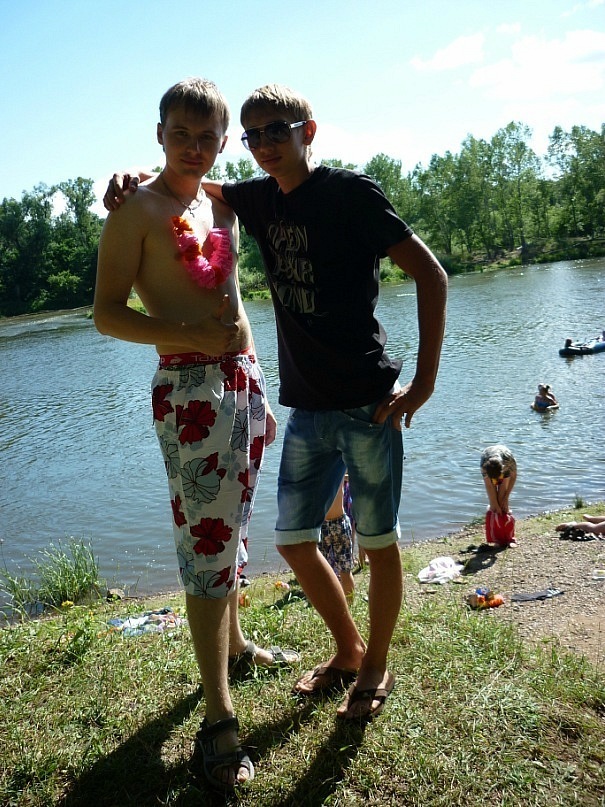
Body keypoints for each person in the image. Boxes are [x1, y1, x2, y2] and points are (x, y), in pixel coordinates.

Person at [104, 82, 448, 721]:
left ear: (307, 132)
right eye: (253, 134)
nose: (263, 144)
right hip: (300, 407)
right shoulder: (252, 198)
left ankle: (374, 664)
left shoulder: (347, 193)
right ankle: (346, 650)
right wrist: (132, 177)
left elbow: (431, 274)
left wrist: (423, 383)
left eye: (276, 131)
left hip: (366, 404)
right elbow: (184, 183)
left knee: (378, 541)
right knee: (290, 539)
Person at [94, 78, 283, 792]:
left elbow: (232, 300)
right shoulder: (135, 212)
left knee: (232, 528)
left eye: (207, 138)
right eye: (181, 134)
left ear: (224, 142)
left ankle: (236, 644)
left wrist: (255, 380)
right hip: (188, 391)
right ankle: (217, 719)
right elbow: (106, 313)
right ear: (159, 134)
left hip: (242, 380)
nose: (194, 148)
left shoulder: (219, 202)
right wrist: (187, 335)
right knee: (207, 547)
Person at [320, 477, 355, 602]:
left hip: (325, 524)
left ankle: (335, 604)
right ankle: (346, 605)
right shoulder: (338, 470)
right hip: (338, 522)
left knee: (324, 570)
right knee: (344, 570)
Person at [480, 444, 518, 547]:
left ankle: (509, 538)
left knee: (503, 505)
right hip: (489, 462)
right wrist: (494, 505)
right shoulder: (484, 466)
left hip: (504, 461)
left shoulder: (508, 462)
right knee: (495, 508)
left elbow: (513, 478)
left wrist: (506, 498)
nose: (496, 481)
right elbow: (489, 485)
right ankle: (497, 539)